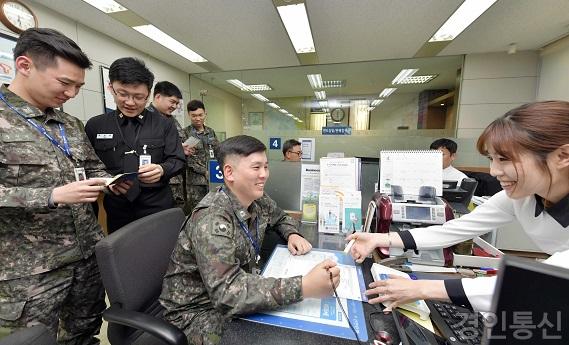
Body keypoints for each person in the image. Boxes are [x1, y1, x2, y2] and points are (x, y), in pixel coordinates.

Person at [348, 101, 569, 312]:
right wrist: (380, 239)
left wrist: (423, 288)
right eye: (491, 159)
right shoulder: (522, 196)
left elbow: (540, 284)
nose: (493, 171)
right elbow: (454, 230)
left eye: (504, 159)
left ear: (563, 156)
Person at [0, 28, 129, 343]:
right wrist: (52, 195)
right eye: (64, 83)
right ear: (25, 65)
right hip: (31, 271)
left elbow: (89, 165)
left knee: (84, 334)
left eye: (78, 86)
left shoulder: (68, 124)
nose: (71, 94)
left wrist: (105, 181)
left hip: (86, 258)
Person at [160, 135, 340, 345]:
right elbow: (227, 294)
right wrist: (304, 286)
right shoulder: (212, 219)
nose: (264, 175)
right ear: (229, 172)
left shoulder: (256, 198)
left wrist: (293, 233)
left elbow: (281, 217)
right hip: (196, 312)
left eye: (265, 166)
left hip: (233, 292)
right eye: (256, 167)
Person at [85, 57, 185, 233]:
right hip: (117, 209)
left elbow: (178, 160)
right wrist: (106, 182)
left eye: (139, 97)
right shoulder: (96, 125)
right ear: (111, 88)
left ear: (149, 95)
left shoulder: (164, 124)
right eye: (122, 94)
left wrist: (162, 169)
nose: (130, 102)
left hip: (157, 206)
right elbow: (88, 166)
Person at [147, 81, 188, 210]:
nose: (175, 106)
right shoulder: (145, 119)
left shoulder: (172, 120)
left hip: (177, 179)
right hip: (156, 187)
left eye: (177, 103)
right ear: (158, 97)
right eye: (172, 102)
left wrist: (182, 149)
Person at [183, 99, 219, 214]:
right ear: (189, 115)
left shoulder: (211, 132)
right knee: (197, 212)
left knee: (213, 210)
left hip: (213, 180)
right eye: (194, 116)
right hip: (196, 183)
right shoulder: (185, 133)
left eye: (200, 115)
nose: (198, 118)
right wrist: (205, 171)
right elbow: (188, 159)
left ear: (205, 114)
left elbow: (217, 151)